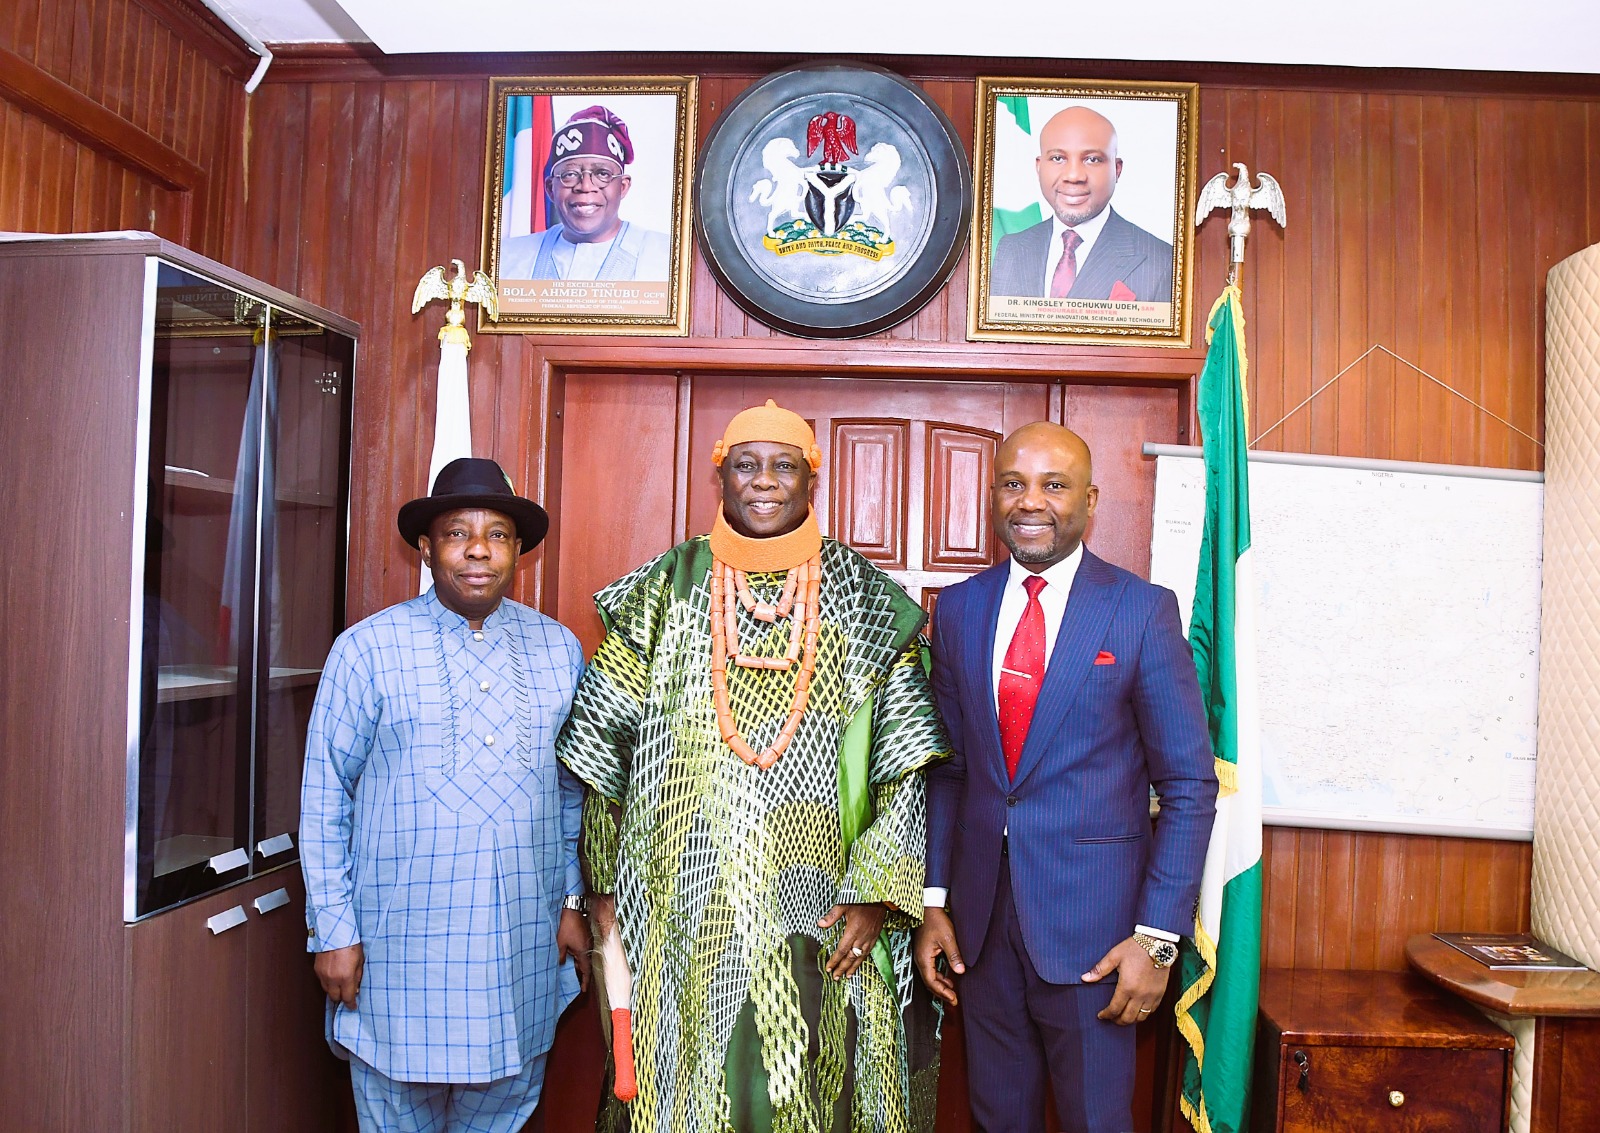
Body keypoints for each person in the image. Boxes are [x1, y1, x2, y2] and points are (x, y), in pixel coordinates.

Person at [556, 400, 948, 1133]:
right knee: (684, 1090)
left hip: (824, 906)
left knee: (813, 1091)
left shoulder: (862, 596)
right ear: (721, 479)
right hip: (676, 904)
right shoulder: (662, 590)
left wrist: (877, 896)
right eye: (746, 465)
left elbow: (902, 767)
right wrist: (601, 888)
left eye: (783, 466)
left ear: (811, 482)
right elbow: (603, 754)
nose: (764, 482)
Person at [914, 423, 1216, 1133]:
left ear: (1090, 499)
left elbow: (1189, 787)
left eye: (1054, 484)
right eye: (1014, 483)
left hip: (1099, 944)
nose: (1032, 501)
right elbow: (950, 772)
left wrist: (1158, 938)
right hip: (981, 936)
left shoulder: (1141, 611)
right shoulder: (958, 609)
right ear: (994, 494)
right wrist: (934, 900)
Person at [299, 457, 590, 1133]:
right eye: (459, 532)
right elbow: (324, 797)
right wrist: (333, 930)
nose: (479, 548)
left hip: (520, 952)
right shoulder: (365, 650)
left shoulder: (558, 649)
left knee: (504, 1113)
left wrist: (572, 902)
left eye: (497, 533)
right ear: (426, 548)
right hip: (396, 956)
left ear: (518, 549)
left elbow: (574, 795)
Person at [990, 106, 1175, 303]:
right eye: (1058, 158)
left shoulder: (1161, 262)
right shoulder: (1010, 249)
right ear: (1039, 166)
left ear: (1117, 169)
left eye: (1092, 159)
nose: (1074, 176)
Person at [500, 104, 670, 283]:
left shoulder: (666, 257)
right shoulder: (508, 258)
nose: (586, 186)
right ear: (550, 188)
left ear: (622, 186)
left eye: (602, 174)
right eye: (570, 175)